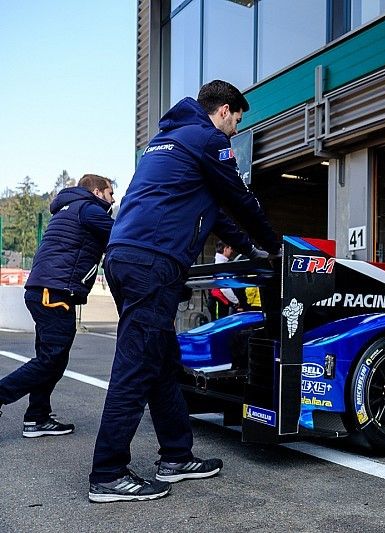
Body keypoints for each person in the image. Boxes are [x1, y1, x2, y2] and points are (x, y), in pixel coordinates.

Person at [88, 80, 281, 503]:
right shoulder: (208, 139)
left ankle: (176, 456)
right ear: (225, 110)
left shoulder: (167, 141)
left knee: (160, 360)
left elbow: (212, 212)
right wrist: (276, 246)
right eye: (237, 121)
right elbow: (241, 200)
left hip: (125, 257)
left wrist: (248, 248)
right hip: (151, 261)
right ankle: (107, 473)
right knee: (136, 364)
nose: (235, 131)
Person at [0, 175, 115, 436]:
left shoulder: (69, 208)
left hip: (45, 290)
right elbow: (121, 233)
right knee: (50, 360)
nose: (113, 199)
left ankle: (37, 417)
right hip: (54, 293)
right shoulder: (89, 209)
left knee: (52, 359)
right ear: (97, 192)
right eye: (110, 194)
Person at [208, 240, 240, 318]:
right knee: (219, 326)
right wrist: (235, 301)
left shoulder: (217, 261)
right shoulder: (220, 264)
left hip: (218, 301)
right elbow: (224, 287)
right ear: (225, 249)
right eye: (230, 249)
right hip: (219, 301)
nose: (232, 251)